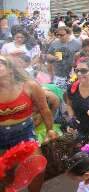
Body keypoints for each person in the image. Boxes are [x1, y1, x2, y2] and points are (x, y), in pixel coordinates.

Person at [0, 55, 56, 192]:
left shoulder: (30, 86)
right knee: (5, 173)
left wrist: (50, 129)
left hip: (24, 134)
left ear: (10, 68)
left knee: (38, 167)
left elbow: (44, 109)